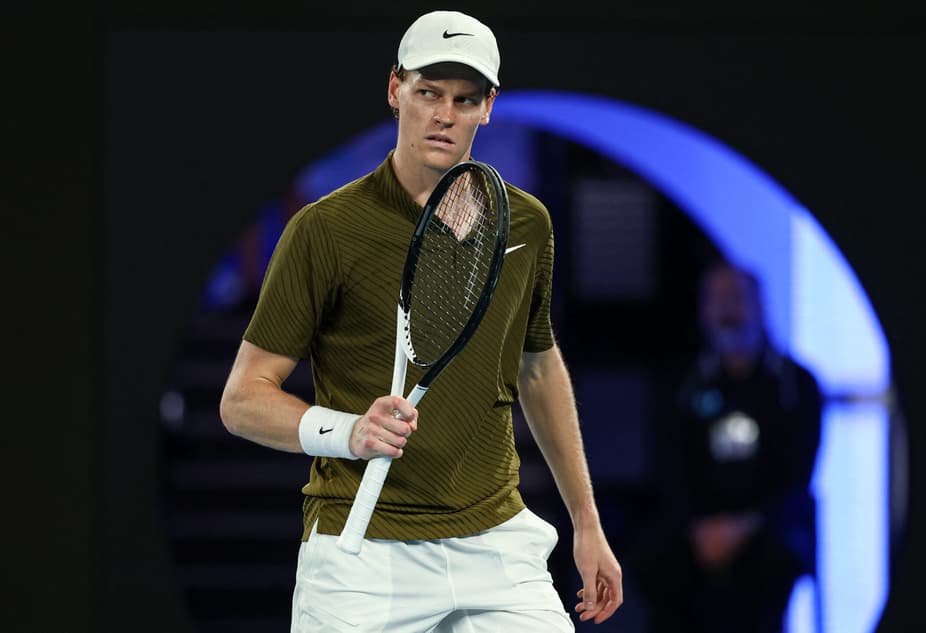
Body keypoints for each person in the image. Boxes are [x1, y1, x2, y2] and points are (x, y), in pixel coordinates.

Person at [218, 9, 622, 632]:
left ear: (488, 108)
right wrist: (349, 431)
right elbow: (242, 400)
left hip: (496, 540)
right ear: (394, 90)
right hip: (362, 551)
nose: (444, 115)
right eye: (428, 92)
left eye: (464, 99)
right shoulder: (324, 230)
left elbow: (537, 366)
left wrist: (587, 524)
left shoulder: (526, 224)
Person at [630, 260, 823, 633]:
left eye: (736, 298)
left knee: (772, 562)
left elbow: (798, 475)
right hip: (697, 526)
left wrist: (742, 527)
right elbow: (670, 468)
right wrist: (700, 528)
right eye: (717, 300)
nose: (727, 310)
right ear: (704, 311)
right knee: (657, 560)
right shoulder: (684, 383)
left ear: (761, 307)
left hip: (766, 526)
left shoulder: (797, 385)